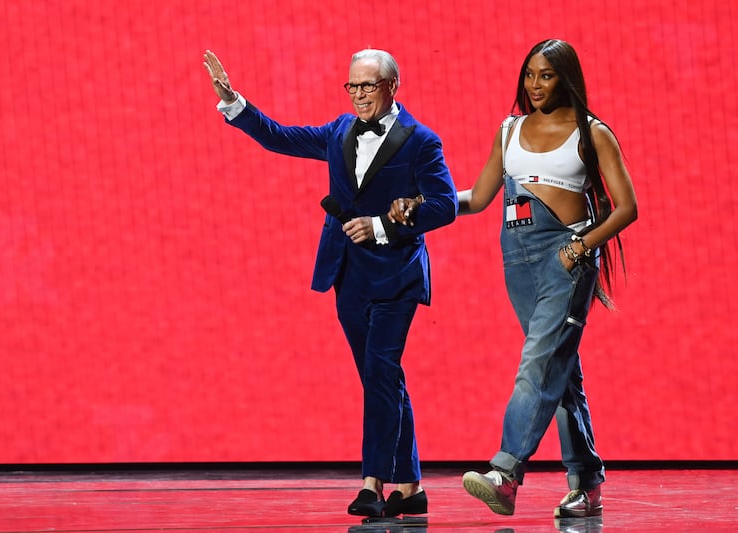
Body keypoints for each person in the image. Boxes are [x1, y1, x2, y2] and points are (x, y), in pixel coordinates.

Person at [203, 48, 457, 518]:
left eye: (368, 86)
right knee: (381, 379)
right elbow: (280, 137)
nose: (359, 95)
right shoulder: (340, 130)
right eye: (352, 86)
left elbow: (445, 205)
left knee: (382, 373)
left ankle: (372, 485)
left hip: (397, 274)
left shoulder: (421, 141)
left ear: (391, 86)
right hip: (349, 274)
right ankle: (411, 485)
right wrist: (234, 102)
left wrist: (382, 224)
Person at [390, 39, 637, 519]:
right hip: (516, 259)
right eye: (529, 75)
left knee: (537, 364)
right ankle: (586, 483)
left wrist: (578, 249)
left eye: (546, 75)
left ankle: (505, 473)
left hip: (565, 258)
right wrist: (424, 205)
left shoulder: (591, 132)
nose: (535, 85)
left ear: (566, 77)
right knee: (558, 370)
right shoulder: (509, 130)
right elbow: (479, 198)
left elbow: (627, 208)